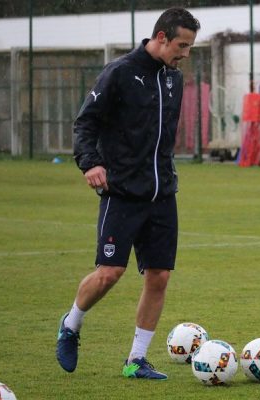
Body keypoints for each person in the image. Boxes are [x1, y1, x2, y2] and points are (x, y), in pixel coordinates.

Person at [56, 7, 200, 380]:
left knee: (159, 276)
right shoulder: (119, 72)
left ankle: (136, 360)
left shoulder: (174, 79)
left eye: (190, 47)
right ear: (162, 37)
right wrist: (90, 163)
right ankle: (71, 324)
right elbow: (85, 122)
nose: (185, 54)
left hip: (162, 193)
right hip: (121, 192)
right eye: (182, 45)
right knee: (110, 273)